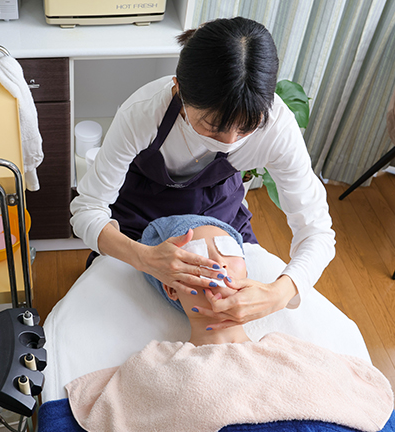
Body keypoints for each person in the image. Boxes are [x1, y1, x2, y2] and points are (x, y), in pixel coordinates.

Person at [70, 17, 335, 330]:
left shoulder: (277, 128)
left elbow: (317, 230)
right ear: (178, 88)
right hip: (139, 208)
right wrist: (144, 258)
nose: (231, 141)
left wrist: (280, 292)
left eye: (247, 127)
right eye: (212, 126)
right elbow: (87, 210)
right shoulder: (144, 112)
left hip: (218, 211)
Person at [63, 217, 395, 432]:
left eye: (227, 253)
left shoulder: (301, 357)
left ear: (247, 271)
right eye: (194, 255)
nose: (216, 264)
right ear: (171, 288)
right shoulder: (153, 369)